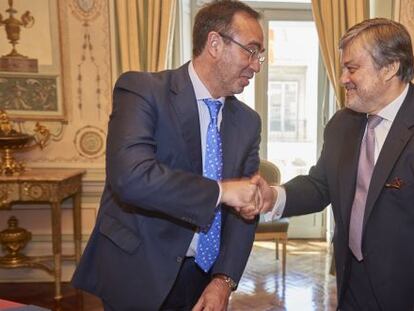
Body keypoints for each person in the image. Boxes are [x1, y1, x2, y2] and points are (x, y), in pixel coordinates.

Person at [72, 1, 266, 310]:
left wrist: (224, 281)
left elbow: (244, 213)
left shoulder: (248, 122)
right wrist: (221, 191)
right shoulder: (142, 90)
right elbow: (131, 177)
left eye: (260, 55)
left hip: (204, 280)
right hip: (138, 270)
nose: (257, 65)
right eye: (251, 51)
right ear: (215, 44)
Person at [255, 18, 414, 310]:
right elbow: (320, 185)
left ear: (390, 67)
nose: (342, 79)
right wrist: (273, 196)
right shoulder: (343, 123)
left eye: (352, 68)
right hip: (351, 283)